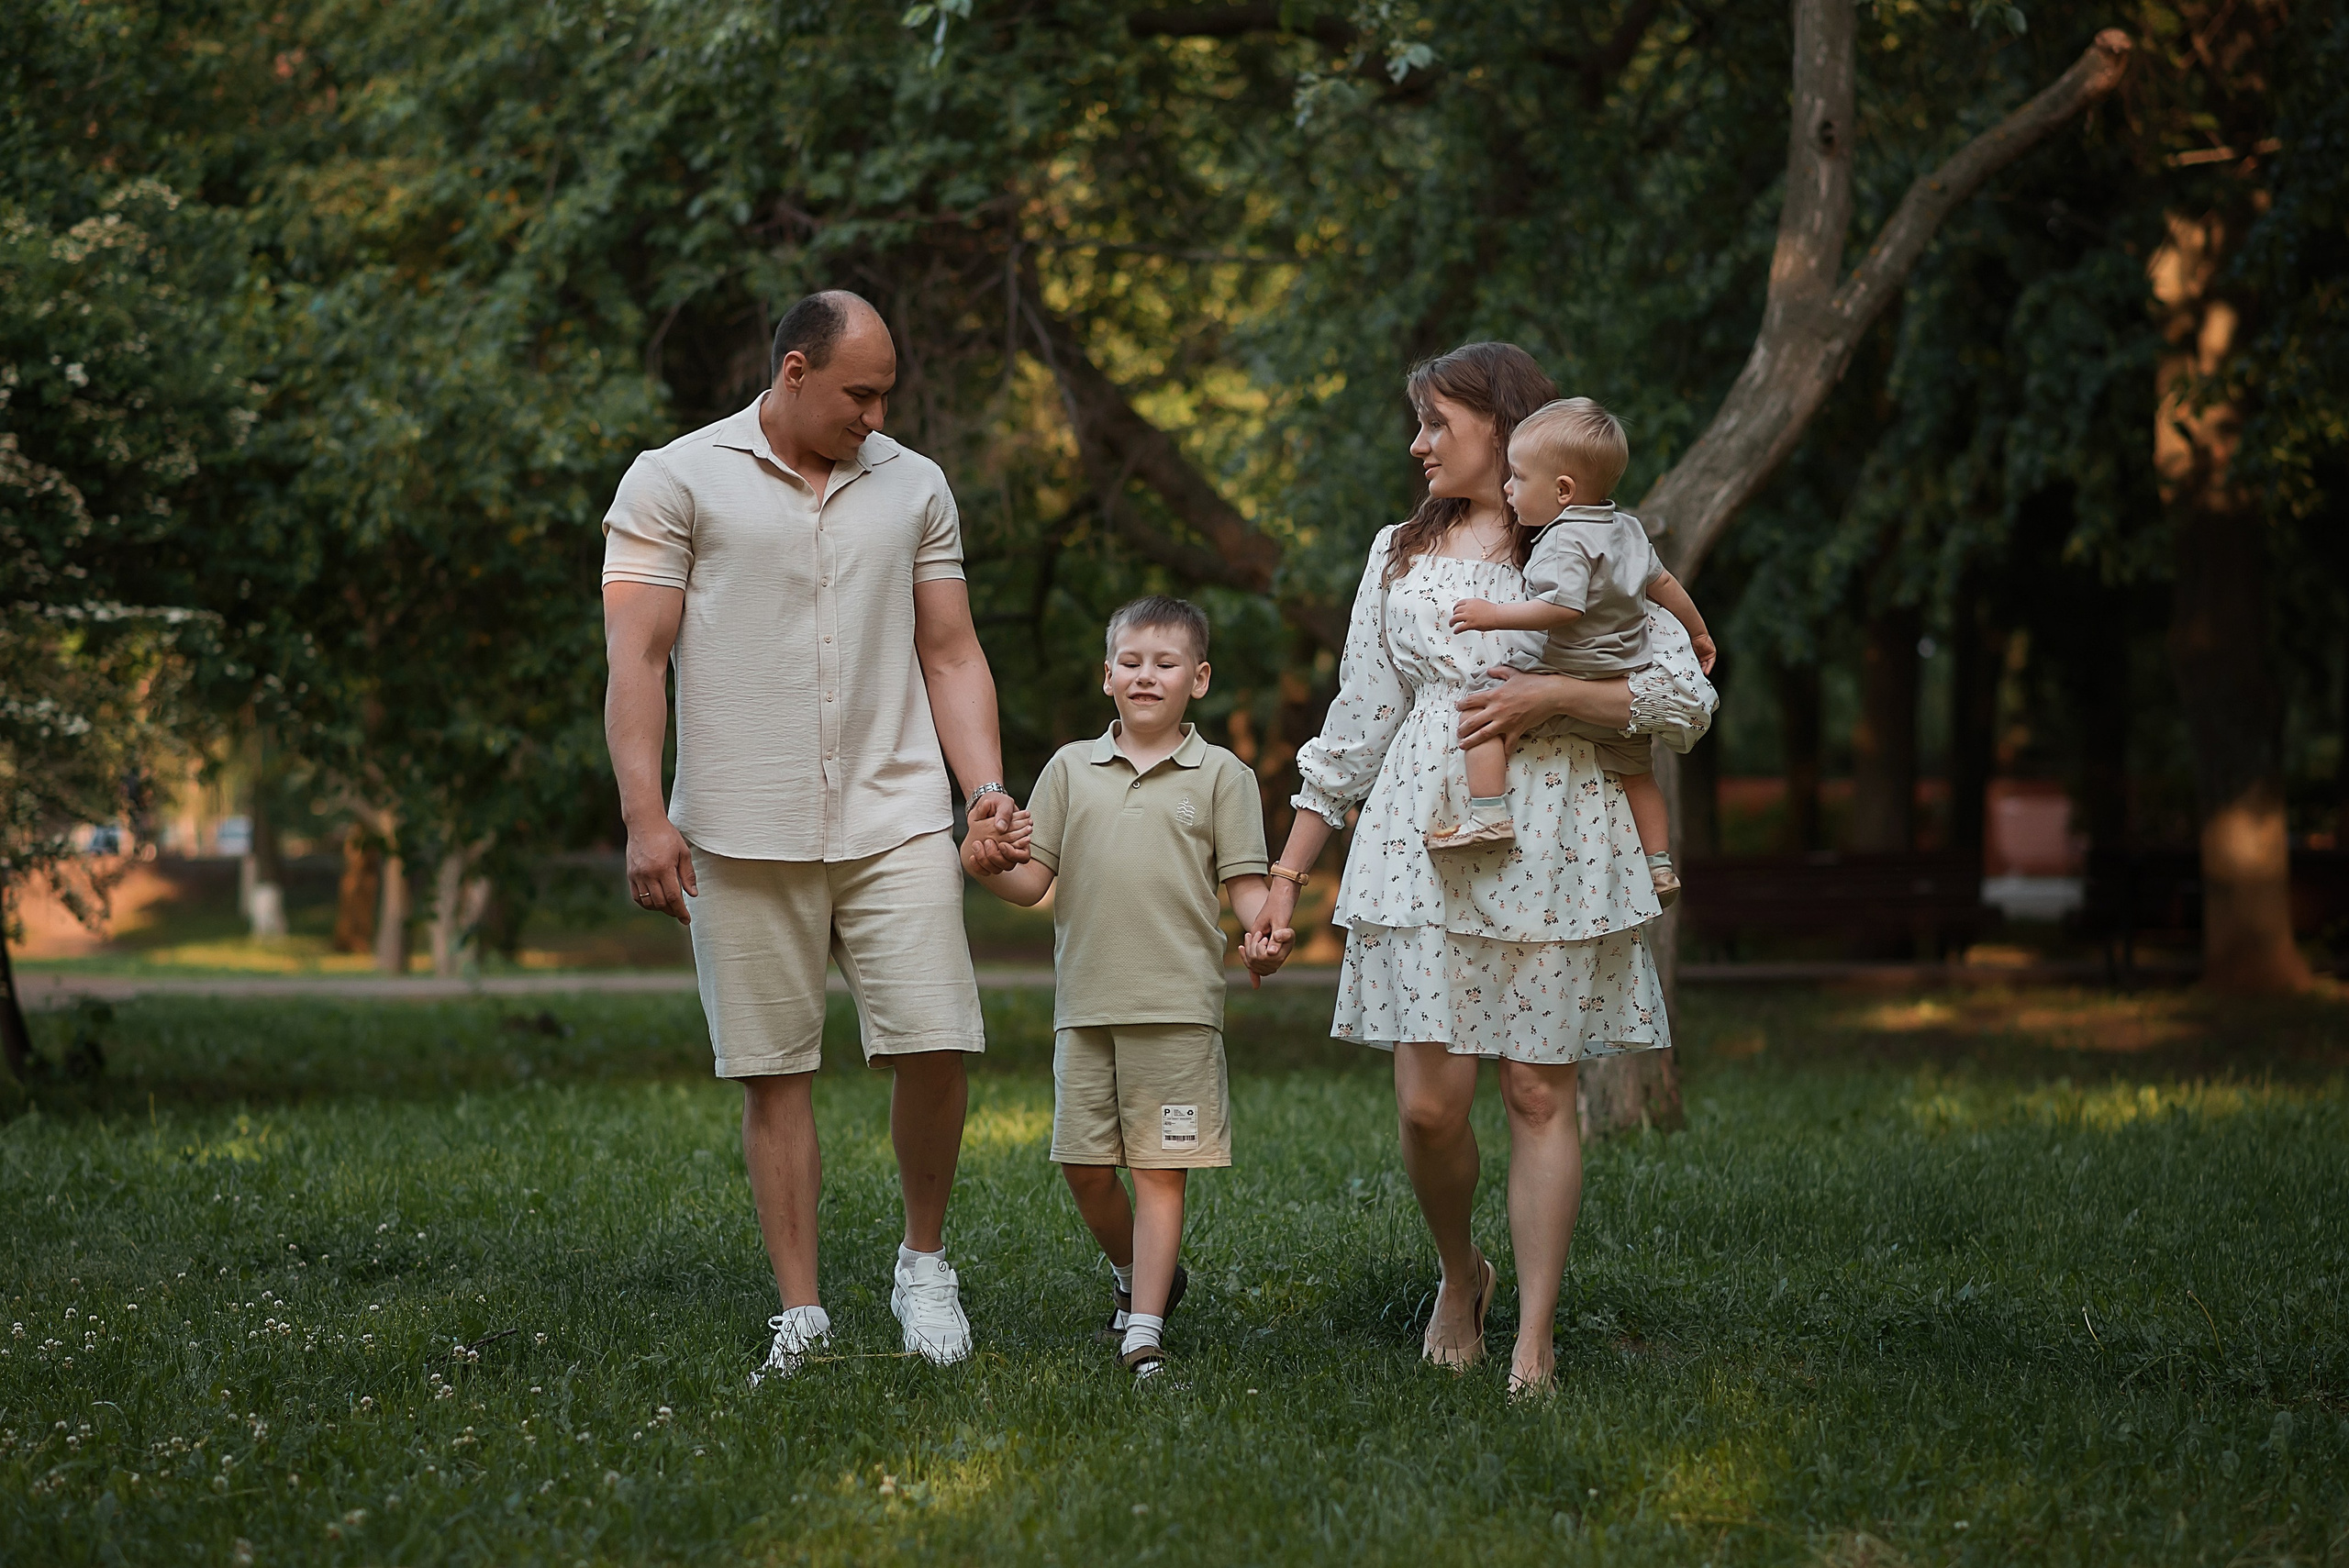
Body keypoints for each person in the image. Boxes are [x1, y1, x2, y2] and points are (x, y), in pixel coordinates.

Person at [1249, 343, 1714, 1396]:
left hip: (1559, 839)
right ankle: (1462, 1270)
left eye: (1435, 422)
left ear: (1503, 427)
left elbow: (1685, 703)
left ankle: (1534, 1339)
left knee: (1542, 1092)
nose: (1417, 443)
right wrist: (1286, 876)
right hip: (1422, 834)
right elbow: (1358, 722)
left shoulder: (1589, 544)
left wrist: (1555, 699)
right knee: (1428, 1105)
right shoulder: (1395, 552)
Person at [601, 289, 1030, 1383]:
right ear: (793, 371)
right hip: (738, 826)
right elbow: (636, 662)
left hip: (894, 815)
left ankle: (922, 1261)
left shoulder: (914, 483)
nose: (876, 413)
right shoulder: (674, 477)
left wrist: (983, 786)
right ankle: (803, 1311)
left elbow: (950, 649)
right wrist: (646, 816)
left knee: (937, 1038)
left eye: (887, 393)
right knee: (774, 1071)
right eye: (858, 392)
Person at [961, 595, 1287, 1380]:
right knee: (1083, 1167)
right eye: (1131, 662)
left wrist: (1264, 930)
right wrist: (984, 870)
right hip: (1085, 1004)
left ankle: (1143, 1330)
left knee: (1157, 1171)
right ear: (1107, 675)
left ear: (1198, 678)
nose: (1147, 675)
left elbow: (1245, 883)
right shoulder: (1070, 768)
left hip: (1176, 1008)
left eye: (1166, 662)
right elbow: (1035, 878)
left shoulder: (1223, 775)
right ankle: (1144, 1275)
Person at [1433, 397, 1717, 912]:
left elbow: (1560, 608)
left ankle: (1488, 813)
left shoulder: (1563, 541)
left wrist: (1493, 614)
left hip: (1564, 665)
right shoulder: (1627, 529)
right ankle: (1658, 865)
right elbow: (1665, 583)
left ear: (1563, 490)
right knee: (1638, 774)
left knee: (1482, 707)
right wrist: (1698, 632)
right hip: (1620, 675)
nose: (1507, 488)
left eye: (1517, 479)